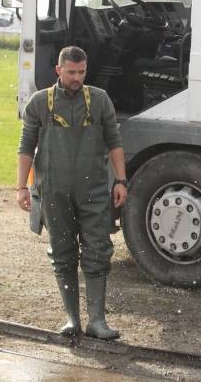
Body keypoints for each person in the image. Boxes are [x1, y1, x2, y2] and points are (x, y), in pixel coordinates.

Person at [16, 46, 128, 339]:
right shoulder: (40, 102)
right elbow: (26, 147)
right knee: (63, 254)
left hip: (93, 191)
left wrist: (121, 181)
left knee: (98, 252)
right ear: (58, 70)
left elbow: (115, 142)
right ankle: (71, 319)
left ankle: (97, 321)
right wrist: (21, 188)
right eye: (71, 72)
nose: (77, 78)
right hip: (53, 190)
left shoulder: (100, 99)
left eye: (81, 72)